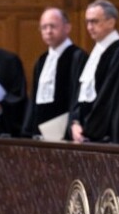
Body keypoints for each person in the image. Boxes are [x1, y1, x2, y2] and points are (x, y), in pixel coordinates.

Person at [69, 0, 119, 144]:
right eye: (87, 22)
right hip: (87, 132)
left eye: (95, 21)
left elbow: (108, 99)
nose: (89, 27)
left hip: (107, 135)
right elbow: (81, 93)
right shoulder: (97, 51)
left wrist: (88, 129)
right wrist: (75, 122)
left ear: (111, 22)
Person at [22, 7, 86, 140]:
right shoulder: (42, 60)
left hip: (65, 131)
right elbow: (34, 97)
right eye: (44, 27)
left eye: (52, 26)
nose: (48, 31)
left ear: (67, 27)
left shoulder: (77, 56)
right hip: (40, 130)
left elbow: (79, 95)